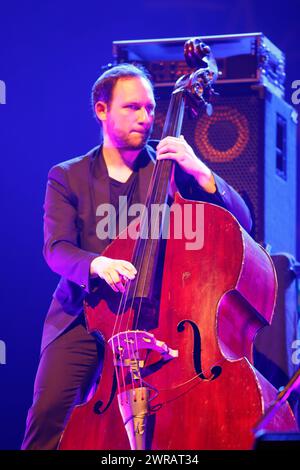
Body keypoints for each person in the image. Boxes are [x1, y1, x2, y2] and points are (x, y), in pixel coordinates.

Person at [21, 63, 252, 450]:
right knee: (48, 415)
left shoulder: (170, 171)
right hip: (82, 316)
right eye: (132, 108)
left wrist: (199, 169)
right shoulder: (66, 176)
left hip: (155, 317)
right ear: (101, 110)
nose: (146, 118)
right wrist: (97, 263)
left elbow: (242, 222)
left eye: (150, 108)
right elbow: (56, 249)